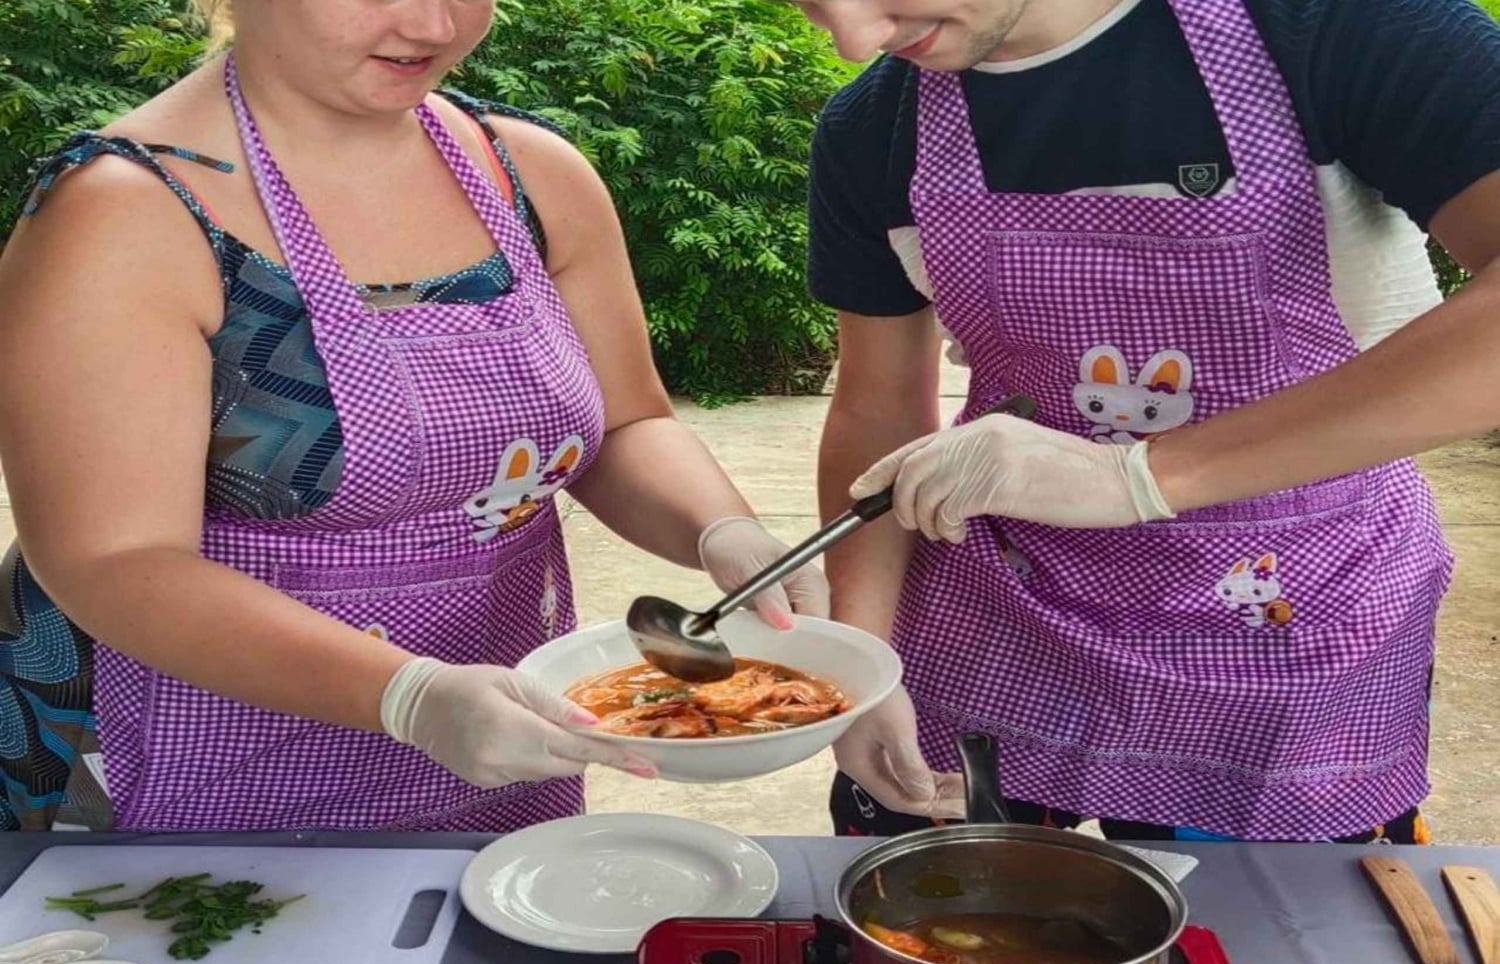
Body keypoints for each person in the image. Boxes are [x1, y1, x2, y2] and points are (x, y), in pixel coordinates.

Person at [0, 0, 828, 832]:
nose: (435, 27)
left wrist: (722, 529)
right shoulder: (121, 211)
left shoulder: (533, 175)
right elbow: (113, 558)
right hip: (185, 739)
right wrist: (410, 694)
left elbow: (623, 424)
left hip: (497, 721)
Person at [797, 0, 1500, 842]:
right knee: (953, 934)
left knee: (1263, 945)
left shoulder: (1343, 29)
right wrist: (861, 658)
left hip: (1290, 623)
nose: (853, 38)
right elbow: (877, 408)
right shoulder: (875, 128)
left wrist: (1136, 476)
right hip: (1004, 622)